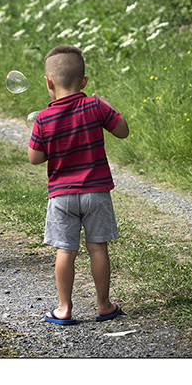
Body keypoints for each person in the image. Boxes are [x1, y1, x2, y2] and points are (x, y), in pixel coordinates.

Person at [28, 44, 130, 325]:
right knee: (98, 248)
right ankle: (104, 305)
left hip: (62, 197)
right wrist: (108, 105)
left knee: (65, 251)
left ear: (49, 83)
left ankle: (64, 308)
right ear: (84, 81)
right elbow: (123, 131)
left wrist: (48, 145)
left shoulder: (43, 118)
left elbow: (34, 158)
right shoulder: (95, 106)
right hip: (96, 193)